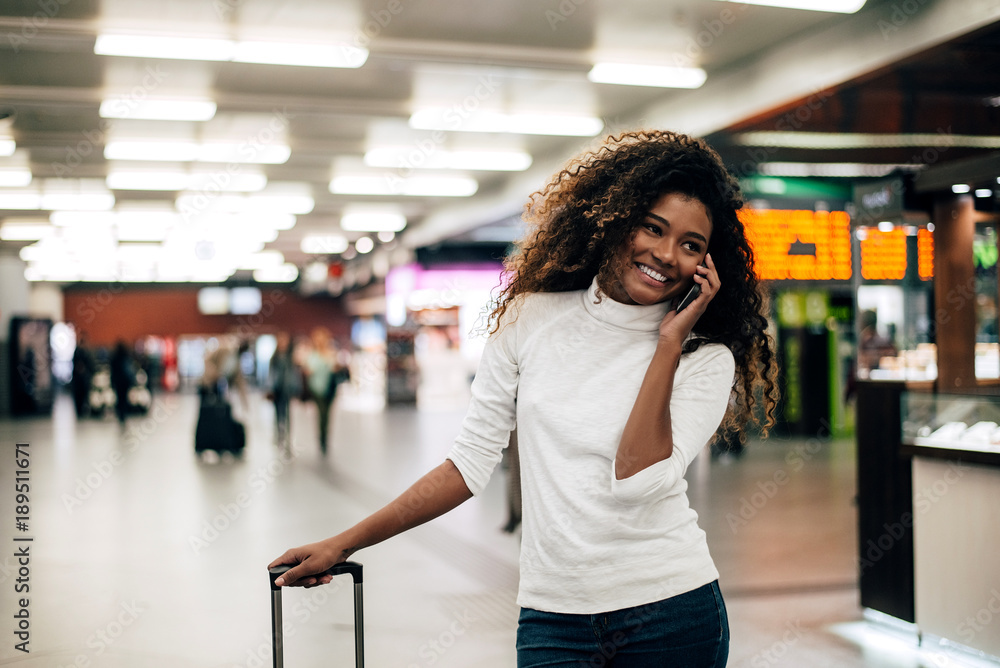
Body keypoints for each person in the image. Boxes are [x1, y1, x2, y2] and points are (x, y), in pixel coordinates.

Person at [269, 130, 780, 666]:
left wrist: (668, 343)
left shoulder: (703, 357)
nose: (665, 253)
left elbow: (638, 480)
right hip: (554, 618)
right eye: (653, 228)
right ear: (617, 218)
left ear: (707, 264)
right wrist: (345, 542)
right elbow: (465, 467)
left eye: (690, 244)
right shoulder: (529, 318)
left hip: (671, 613)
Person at [302, 327, 349, 455]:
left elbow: (335, 367)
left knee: (327, 415)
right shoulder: (312, 353)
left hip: (330, 388)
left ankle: (325, 437)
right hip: (316, 389)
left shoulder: (331, 352)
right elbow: (308, 369)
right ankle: (322, 440)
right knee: (321, 414)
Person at [268, 332, 300, 452]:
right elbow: (271, 374)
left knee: (287, 414)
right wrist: (270, 387)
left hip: (287, 388)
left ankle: (287, 437)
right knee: (278, 413)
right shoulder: (275, 357)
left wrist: (297, 388)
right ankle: (278, 435)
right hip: (277, 389)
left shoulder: (290, 357)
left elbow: (295, 374)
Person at [71, 332, 95, 418]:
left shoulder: (87, 352)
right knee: (78, 396)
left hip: (84, 379)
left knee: (85, 395)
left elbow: (90, 365)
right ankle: (79, 411)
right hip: (78, 380)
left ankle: (84, 410)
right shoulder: (77, 352)